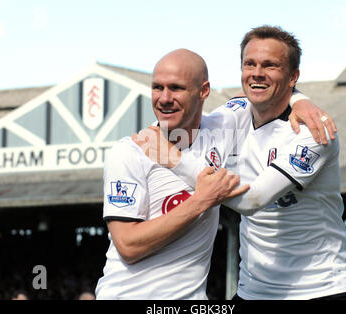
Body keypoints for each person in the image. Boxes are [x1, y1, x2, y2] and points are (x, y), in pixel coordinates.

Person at [143, 25, 346, 300]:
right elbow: (184, 128)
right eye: (249, 64)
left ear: (293, 76)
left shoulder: (313, 132)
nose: (256, 73)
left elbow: (252, 201)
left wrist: (174, 160)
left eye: (270, 65)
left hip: (318, 289)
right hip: (254, 290)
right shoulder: (236, 113)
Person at [95, 49, 249, 300]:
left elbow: (264, 92)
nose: (164, 98)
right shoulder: (129, 152)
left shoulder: (221, 127)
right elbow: (128, 246)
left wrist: (300, 102)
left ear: (204, 91)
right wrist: (201, 201)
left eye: (176, 88)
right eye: (157, 88)